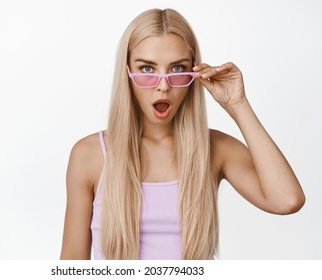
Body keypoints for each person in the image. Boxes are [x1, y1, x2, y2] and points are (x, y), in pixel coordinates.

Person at [60, 8, 305, 260]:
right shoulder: (88, 155)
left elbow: (287, 200)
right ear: (127, 72)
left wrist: (238, 104)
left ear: (194, 73)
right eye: (147, 69)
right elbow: (71, 265)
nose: (163, 85)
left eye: (177, 68)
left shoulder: (216, 148)